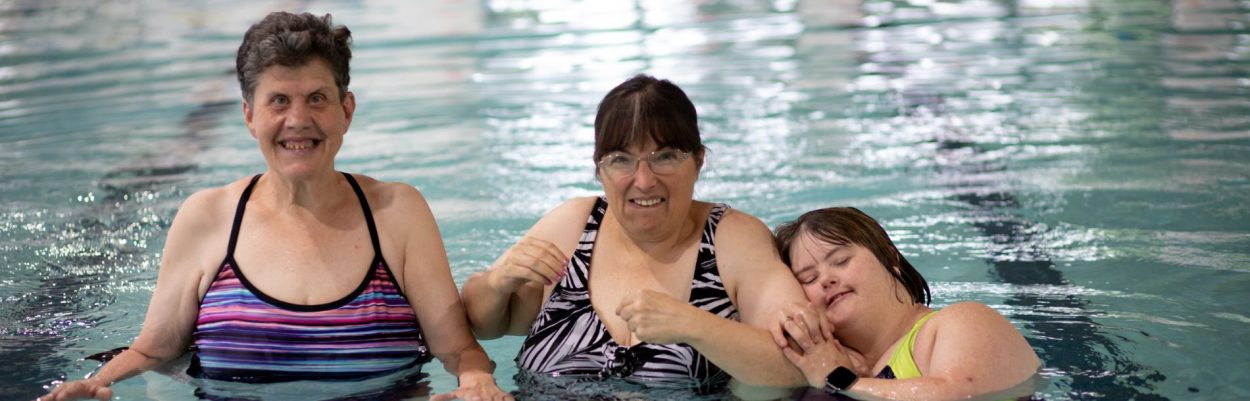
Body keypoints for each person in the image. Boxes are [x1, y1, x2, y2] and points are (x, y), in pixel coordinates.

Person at [39, 12, 508, 401]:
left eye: (317, 99)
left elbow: (459, 350)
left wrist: (477, 381)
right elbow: (152, 351)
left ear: (347, 111)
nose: (297, 121)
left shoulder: (397, 213)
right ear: (249, 116)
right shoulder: (208, 218)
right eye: (278, 101)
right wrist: (96, 385)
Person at [460, 74, 810, 395]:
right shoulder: (573, 225)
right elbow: (482, 326)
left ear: (699, 162)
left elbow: (801, 366)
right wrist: (496, 284)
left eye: (665, 157)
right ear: (599, 169)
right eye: (621, 160)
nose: (644, 180)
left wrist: (694, 325)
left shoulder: (732, 240)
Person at [770, 207, 1041, 400]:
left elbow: (958, 395)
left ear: (890, 258)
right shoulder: (847, 370)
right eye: (809, 278)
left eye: (841, 261)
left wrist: (841, 382)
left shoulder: (961, 322)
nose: (826, 279)